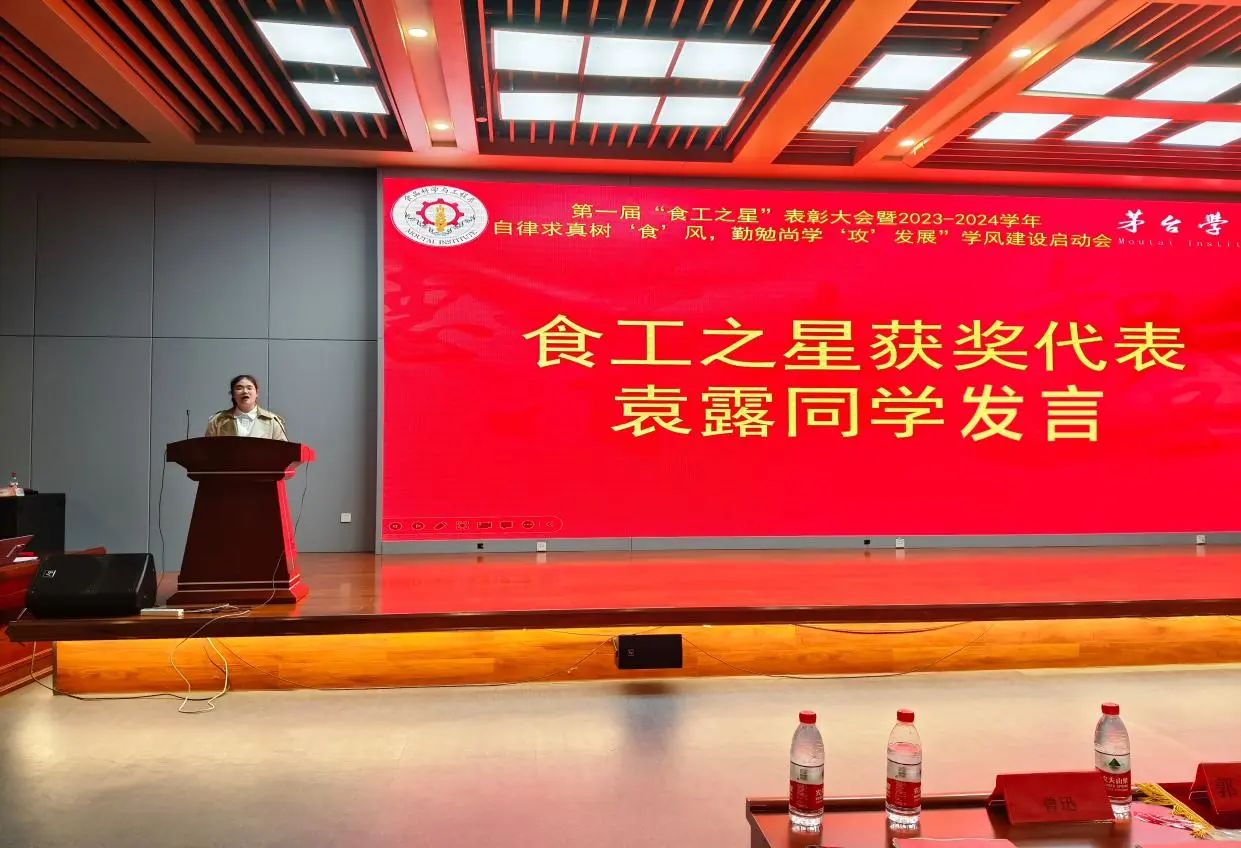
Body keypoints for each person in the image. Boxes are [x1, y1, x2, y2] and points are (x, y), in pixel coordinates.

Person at [205, 375, 288, 440]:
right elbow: (207, 449)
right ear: (233, 394)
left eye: (249, 388)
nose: (245, 391)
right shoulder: (218, 420)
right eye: (239, 388)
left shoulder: (271, 421)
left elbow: (283, 451)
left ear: (257, 393)